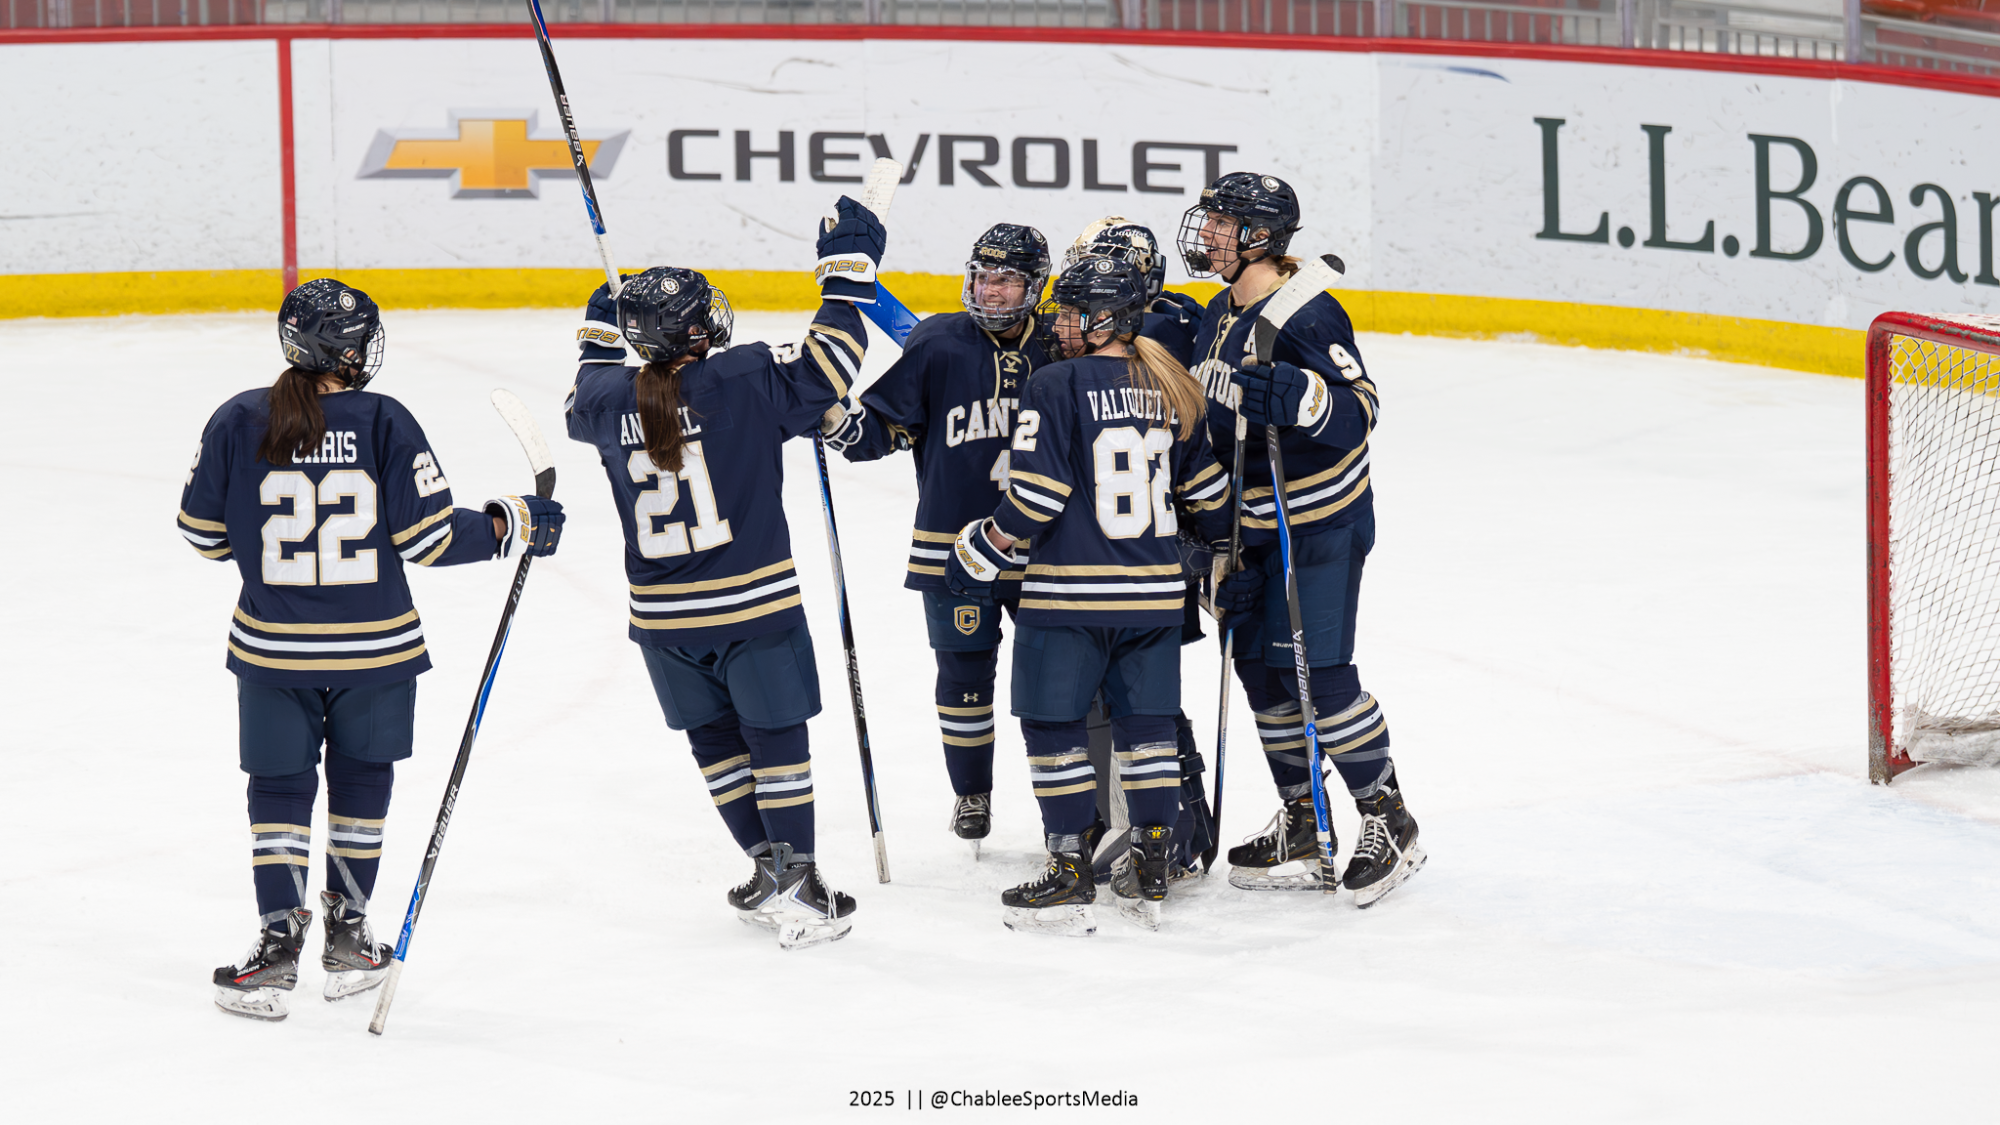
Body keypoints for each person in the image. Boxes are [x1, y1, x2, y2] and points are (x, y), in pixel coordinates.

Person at [178, 278, 565, 1021]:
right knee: (362, 786)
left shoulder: (239, 417)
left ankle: (277, 945)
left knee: (279, 792)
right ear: (350, 352)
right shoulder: (385, 420)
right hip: (377, 652)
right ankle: (350, 938)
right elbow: (430, 537)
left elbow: (201, 534)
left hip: (274, 651)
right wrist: (510, 521)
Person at [564, 196, 883, 949]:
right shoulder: (742, 376)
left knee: (714, 743)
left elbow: (587, 378)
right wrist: (847, 275)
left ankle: (767, 866)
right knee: (777, 740)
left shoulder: (605, 401)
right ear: (701, 332)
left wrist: (603, 325)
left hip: (663, 621)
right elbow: (830, 364)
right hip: (752, 606)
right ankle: (799, 879)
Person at [947, 258, 1231, 936]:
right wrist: (1222, 555)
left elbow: (1038, 496)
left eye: (1073, 312)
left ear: (1105, 318)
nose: (1060, 323)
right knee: (1147, 727)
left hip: (1069, 595)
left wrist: (977, 551)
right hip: (1156, 597)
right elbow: (1211, 494)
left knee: (1052, 726)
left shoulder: (1055, 381)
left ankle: (1071, 862)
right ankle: (1155, 855)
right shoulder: (1171, 383)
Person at [1177, 171, 1426, 906]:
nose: (1209, 234)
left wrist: (1305, 399)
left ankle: (1389, 817)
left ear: (1260, 236)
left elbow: (1362, 407)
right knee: (1262, 671)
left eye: (1223, 223)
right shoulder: (1223, 311)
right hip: (1252, 528)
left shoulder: (1307, 316)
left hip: (1317, 525)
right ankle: (1303, 819)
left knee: (1321, 673)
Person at [836, 223, 1057, 855]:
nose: (990, 291)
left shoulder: (1061, 344)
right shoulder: (937, 342)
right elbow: (880, 432)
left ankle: (1066, 811)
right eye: (983, 277)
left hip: (1047, 550)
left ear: (1035, 285)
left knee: (1053, 686)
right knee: (963, 679)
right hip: (952, 549)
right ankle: (972, 791)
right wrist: (835, 419)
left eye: (1006, 279)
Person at [1057, 217, 1222, 886]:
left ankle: (1175, 830)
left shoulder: (1158, 337)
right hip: (1146, 539)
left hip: (1150, 544)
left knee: (1134, 690)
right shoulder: (1179, 321)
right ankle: (1146, 821)